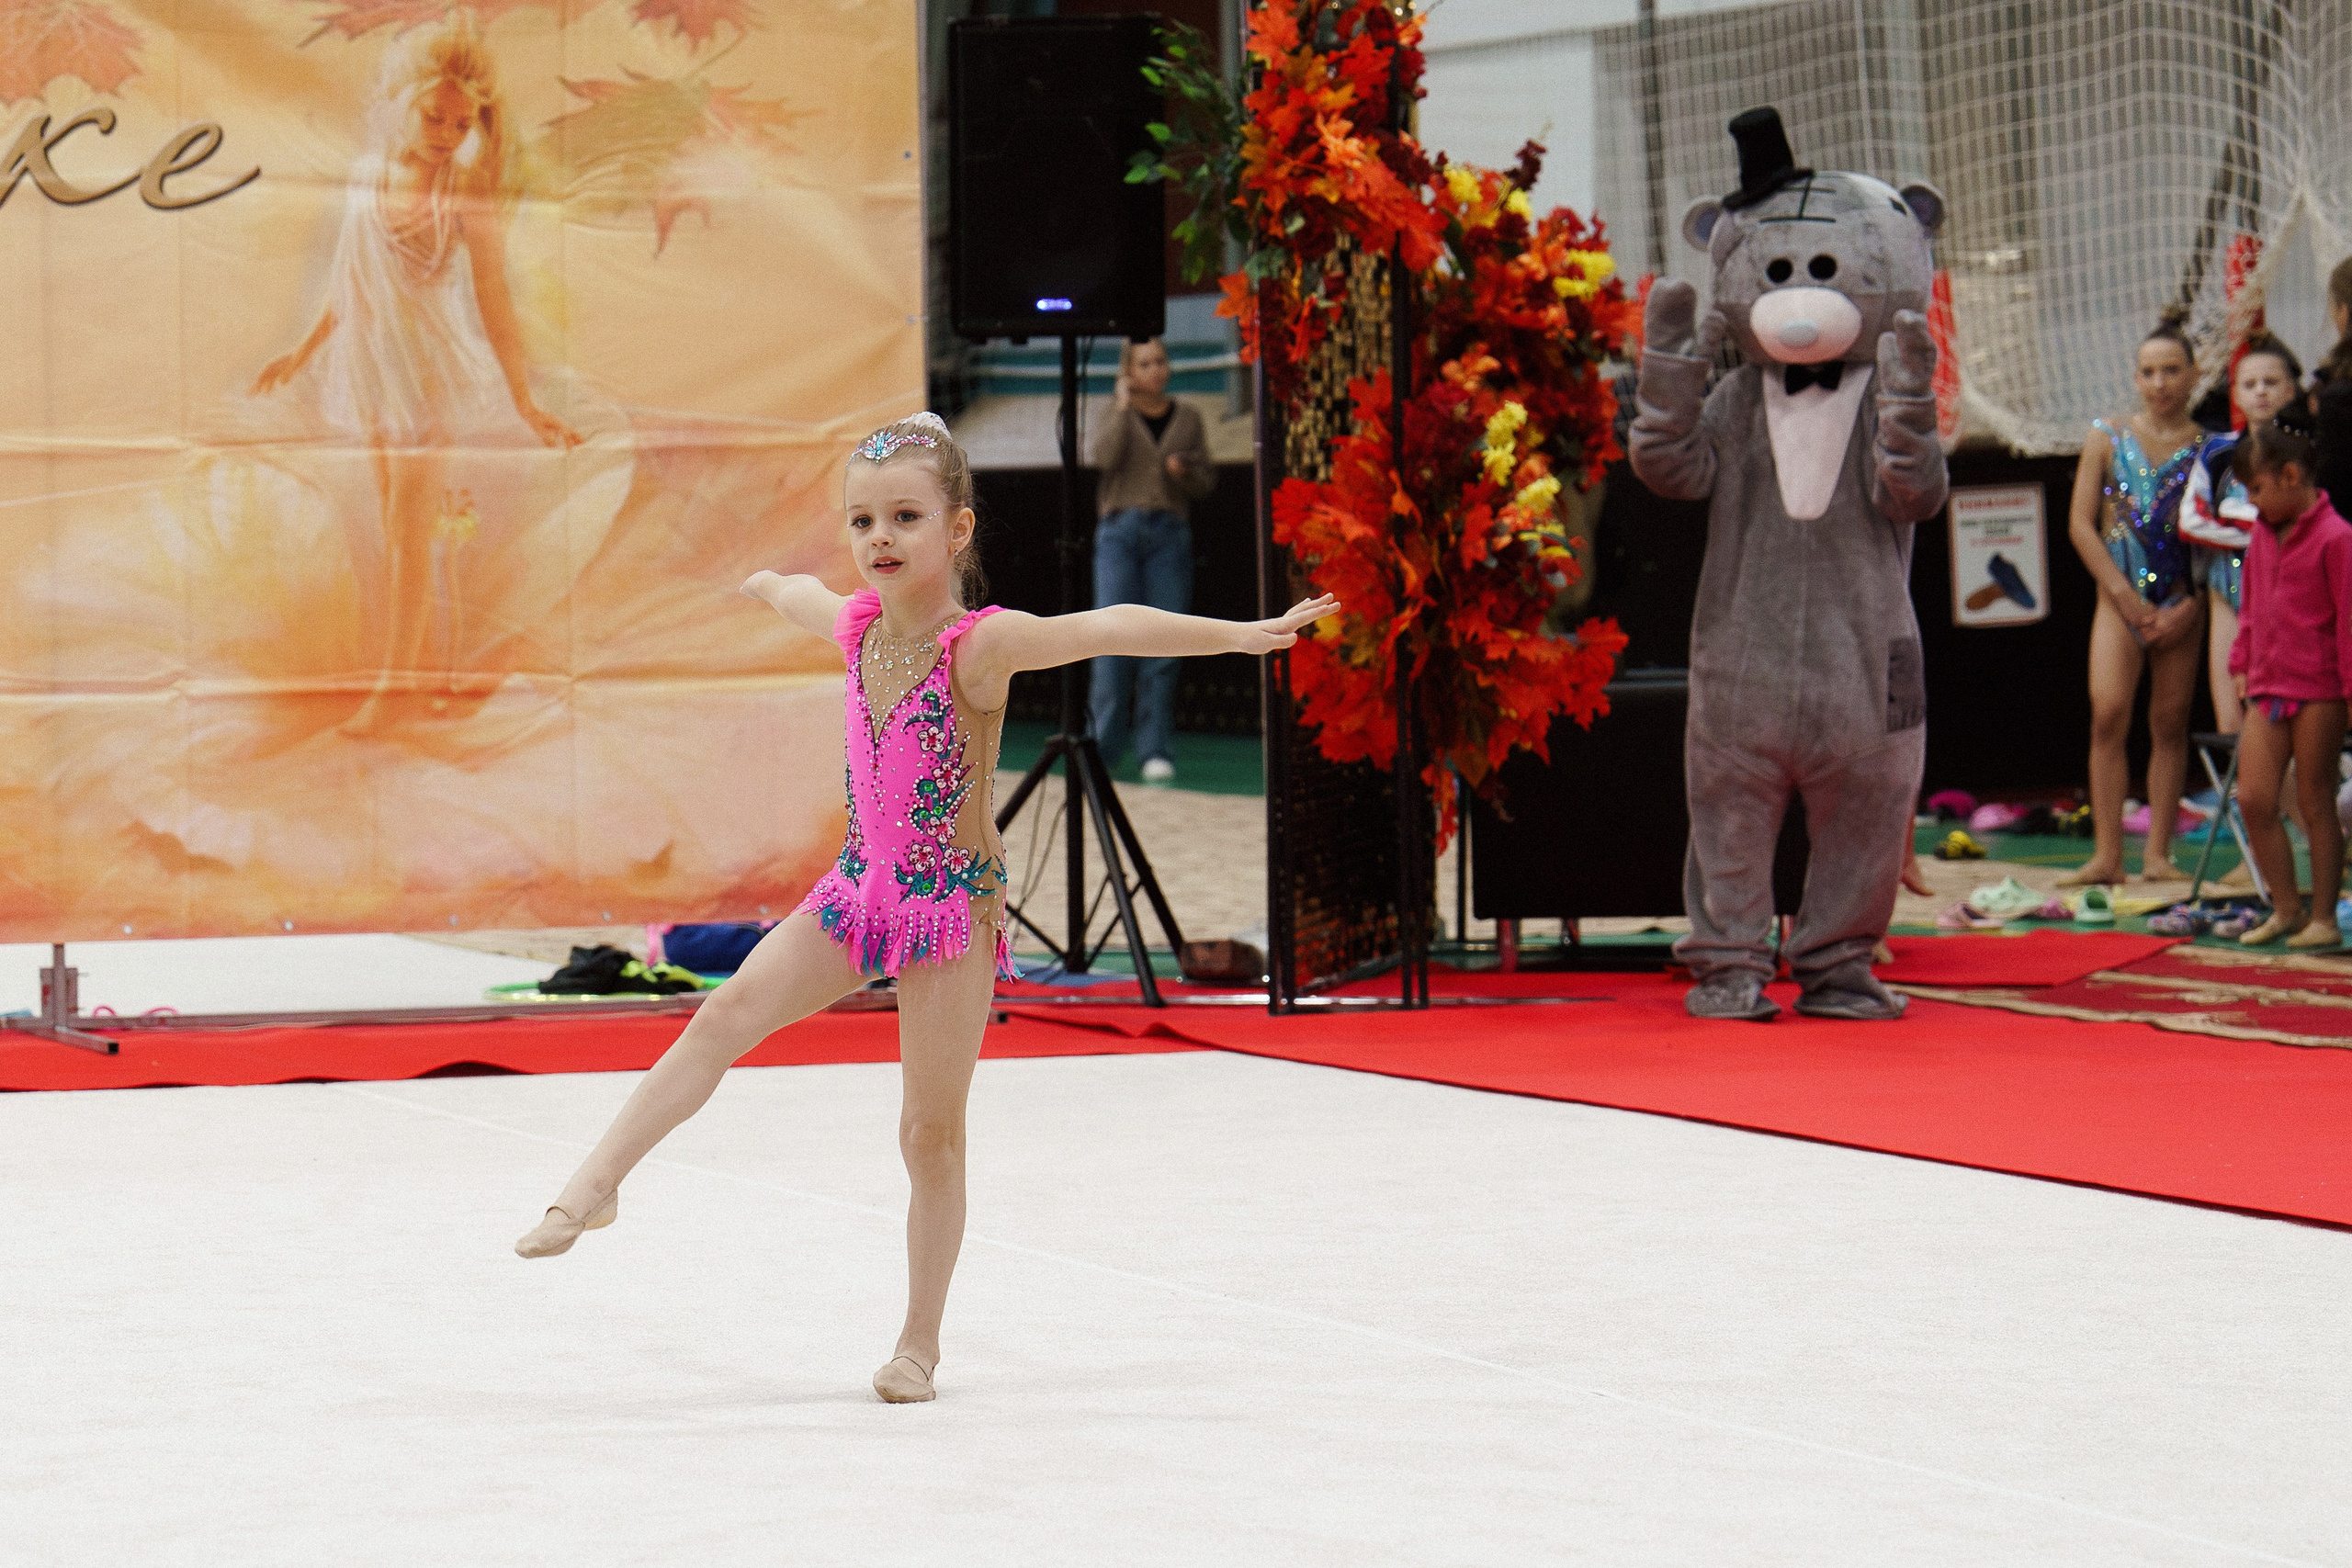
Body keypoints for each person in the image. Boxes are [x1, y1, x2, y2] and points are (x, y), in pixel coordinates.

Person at [513, 412, 1336, 1403]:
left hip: (948, 912)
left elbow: (1106, 625)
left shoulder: (980, 646)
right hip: (859, 891)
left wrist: (1240, 635)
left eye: (905, 517)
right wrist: (753, 578)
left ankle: (919, 1343)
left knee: (928, 1132)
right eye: (863, 521)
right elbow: (798, 593)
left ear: (957, 529)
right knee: (723, 1013)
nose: (880, 538)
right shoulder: (857, 628)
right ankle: (594, 1187)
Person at [251, 16, 587, 733]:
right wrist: (302, 351)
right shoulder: (367, 179)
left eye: (460, 122)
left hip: (429, 373)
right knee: (396, 524)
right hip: (374, 367)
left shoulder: (463, 194)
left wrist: (524, 399)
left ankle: (394, 691)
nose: (444, 132)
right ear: (401, 103)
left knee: (407, 527)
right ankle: (425, 667)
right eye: (433, 115)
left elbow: (494, 298)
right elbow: (349, 284)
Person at [2062, 315, 2206, 886]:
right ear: (2136, 377)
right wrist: (2120, 593)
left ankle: (2158, 855)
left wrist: (2190, 606)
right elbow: (2080, 524)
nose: (2160, 382)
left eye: (2171, 370)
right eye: (2149, 372)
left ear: (2194, 374)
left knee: (2169, 723)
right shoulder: (2107, 436)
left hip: (2180, 605)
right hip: (2118, 601)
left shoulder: (2209, 449)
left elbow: (2221, 539)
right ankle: (2108, 855)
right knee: (2108, 714)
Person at [2224, 407, 2352, 947]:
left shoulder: (2337, 537)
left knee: (2316, 800)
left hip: (2320, 689)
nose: (2251, 500)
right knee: (2254, 797)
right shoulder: (2261, 535)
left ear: (2291, 476)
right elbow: (2250, 608)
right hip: (2268, 685)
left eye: (2256, 488)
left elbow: (2349, 622)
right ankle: (2286, 908)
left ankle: (2324, 918)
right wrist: (2240, 662)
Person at [1086, 337, 1215, 783]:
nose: (1155, 369)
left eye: (1160, 361)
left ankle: (1154, 748)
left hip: (1169, 533)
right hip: (1119, 532)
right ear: (1128, 371)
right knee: (1111, 637)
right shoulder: (1115, 411)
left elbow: (1205, 481)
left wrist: (1186, 473)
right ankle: (1102, 747)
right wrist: (1122, 407)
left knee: (1164, 639)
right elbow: (1102, 458)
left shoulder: (1188, 416)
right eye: (1144, 363)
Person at [2182, 335, 2304, 736]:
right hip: (2228, 587)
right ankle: (2237, 776)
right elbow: (2190, 520)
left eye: (2271, 382)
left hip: (2293, 590)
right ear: (2235, 394)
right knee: (2231, 716)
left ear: (2291, 390)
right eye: (2250, 384)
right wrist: (2257, 535)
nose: (2261, 392)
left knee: (2288, 709)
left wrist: (2243, 522)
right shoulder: (2218, 452)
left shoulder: (2308, 454)